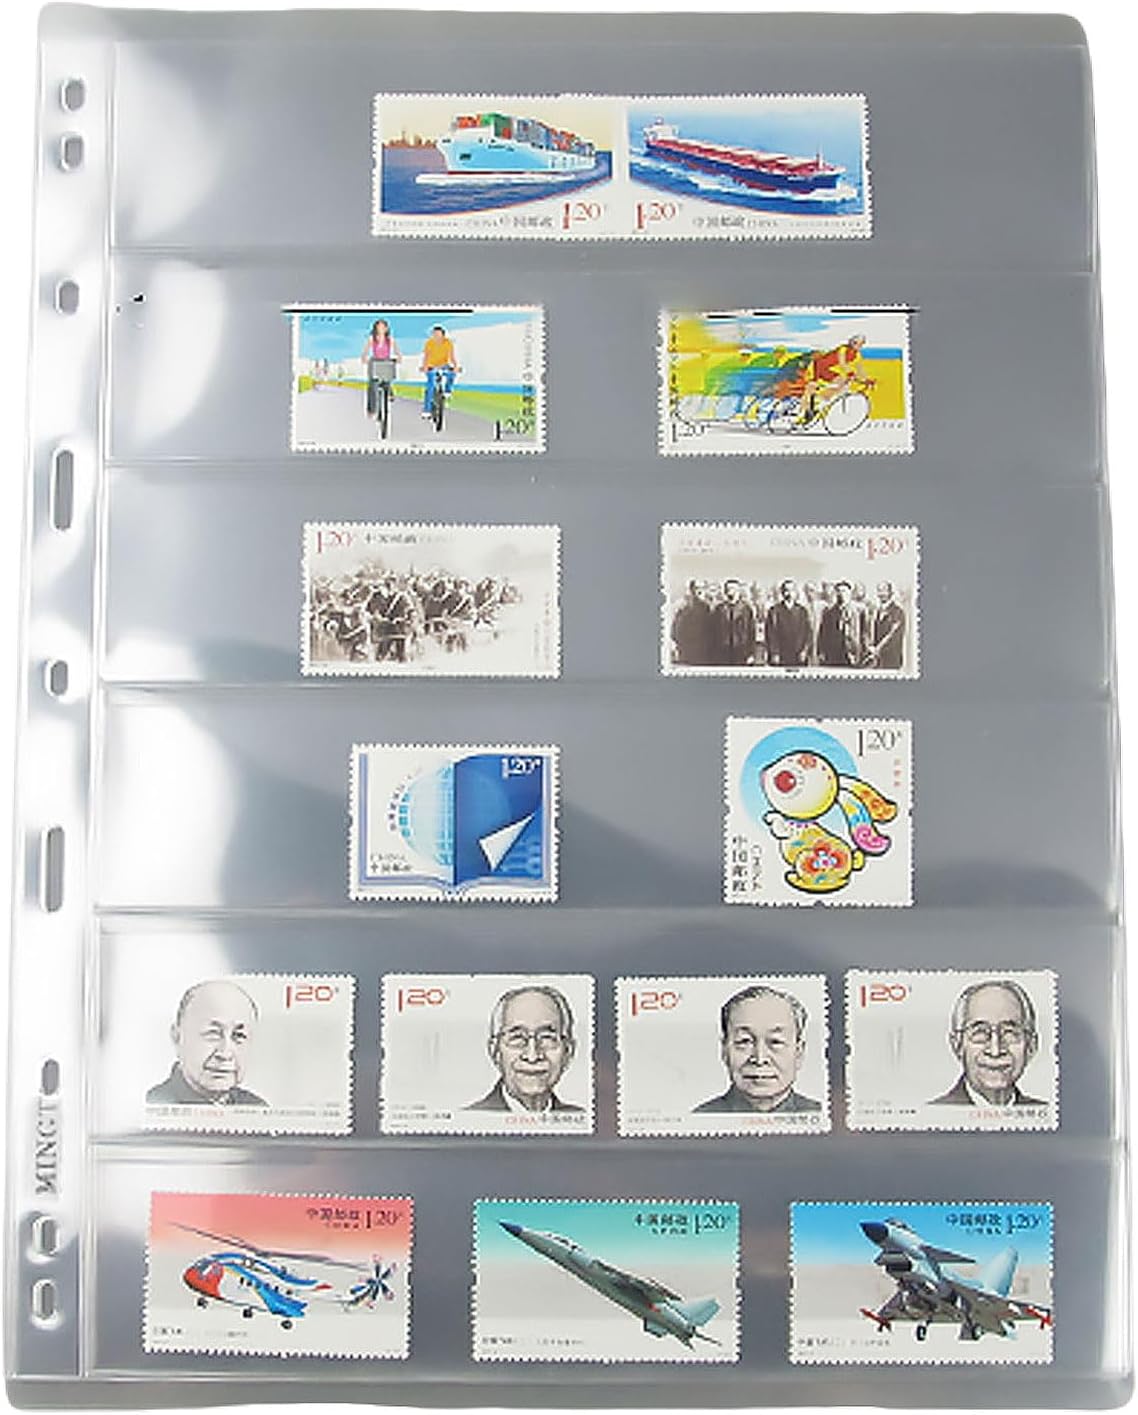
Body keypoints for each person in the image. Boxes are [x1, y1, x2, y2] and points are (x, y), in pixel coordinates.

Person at [694, 984, 821, 1113]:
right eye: (745, 1041)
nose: (760, 1059)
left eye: (775, 1042)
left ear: (799, 1053)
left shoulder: (820, 1114)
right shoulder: (700, 1117)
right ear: (725, 1051)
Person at [146, 980, 267, 1107]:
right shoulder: (153, 1103)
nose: (225, 1054)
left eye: (239, 1035)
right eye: (213, 1033)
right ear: (177, 1037)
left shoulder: (258, 1108)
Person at [467, 985, 583, 1113]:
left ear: (568, 1052)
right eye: (517, 1038)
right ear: (495, 1052)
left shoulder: (580, 1116)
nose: (532, 1056)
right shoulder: (469, 1117)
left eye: (547, 1038)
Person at [931, 980, 1045, 1107]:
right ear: (957, 1045)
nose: (995, 1051)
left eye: (1009, 1033)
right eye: (980, 1033)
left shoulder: (1044, 1110)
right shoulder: (933, 1112)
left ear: (1031, 1046)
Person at [798, 332, 874, 425]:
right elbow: (842, 362)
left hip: (826, 370)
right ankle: (802, 411)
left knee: (841, 383)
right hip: (818, 365)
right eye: (855, 343)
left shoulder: (856, 355)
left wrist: (866, 379)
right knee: (811, 387)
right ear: (851, 342)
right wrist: (849, 372)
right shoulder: (843, 349)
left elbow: (860, 369)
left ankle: (820, 400)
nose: (857, 345)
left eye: (860, 344)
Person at [764, 579, 813, 667]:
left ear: (796, 592)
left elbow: (808, 633)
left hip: (798, 656)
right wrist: (774, 653)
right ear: (782, 593)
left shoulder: (802, 611)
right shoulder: (774, 611)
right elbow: (770, 634)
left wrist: (805, 651)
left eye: (792, 590)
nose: (789, 593)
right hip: (780, 656)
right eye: (786, 590)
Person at [817, 580, 866, 668]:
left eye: (844, 591)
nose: (841, 594)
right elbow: (823, 634)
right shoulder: (829, 612)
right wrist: (821, 652)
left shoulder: (859, 611)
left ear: (850, 593)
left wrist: (864, 651)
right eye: (838, 591)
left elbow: (864, 632)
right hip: (833, 654)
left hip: (853, 654)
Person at [710, 578, 757, 667]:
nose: (730, 591)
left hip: (741, 652)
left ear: (738, 591)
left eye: (733, 589)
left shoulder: (746, 610)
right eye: (728, 589)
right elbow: (712, 632)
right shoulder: (719, 610)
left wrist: (751, 653)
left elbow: (751, 632)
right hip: (722, 652)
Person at [361, 319, 401, 420]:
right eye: (379, 327)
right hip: (375, 361)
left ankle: (389, 391)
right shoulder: (372, 339)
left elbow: (397, 350)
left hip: (386, 361)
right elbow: (366, 350)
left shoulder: (390, 339)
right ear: (376, 328)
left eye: (383, 327)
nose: (381, 329)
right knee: (372, 384)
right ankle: (372, 410)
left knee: (388, 377)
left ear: (386, 328)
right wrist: (364, 357)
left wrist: (399, 357)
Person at [671, 580, 714, 665]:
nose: (700, 591)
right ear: (692, 590)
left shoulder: (709, 606)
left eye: (702, 588)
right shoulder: (684, 606)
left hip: (705, 649)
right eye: (697, 588)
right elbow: (676, 628)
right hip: (688, 648)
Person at [420, 324, 459, 418]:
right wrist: (425, 367)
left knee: (451, 374)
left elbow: (452, 356)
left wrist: (455, 366)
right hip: (431, 366)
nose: (436, 337)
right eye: (434, 335)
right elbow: (426, 356)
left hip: (443, 365)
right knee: (430, 386)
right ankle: (427, 410)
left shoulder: (448, 343)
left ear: (443, 335)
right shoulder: (429, 343)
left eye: (438, 335)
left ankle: (447, 391)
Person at [866, 581, 906, 670]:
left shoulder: (898, 612)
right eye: (879, 591)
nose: (881, 594)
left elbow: (892, 635)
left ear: (890, 593)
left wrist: (877, 649)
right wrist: (870, 647)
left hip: (891, 659)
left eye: (884, 590)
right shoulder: (877, 611)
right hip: (878, 661)